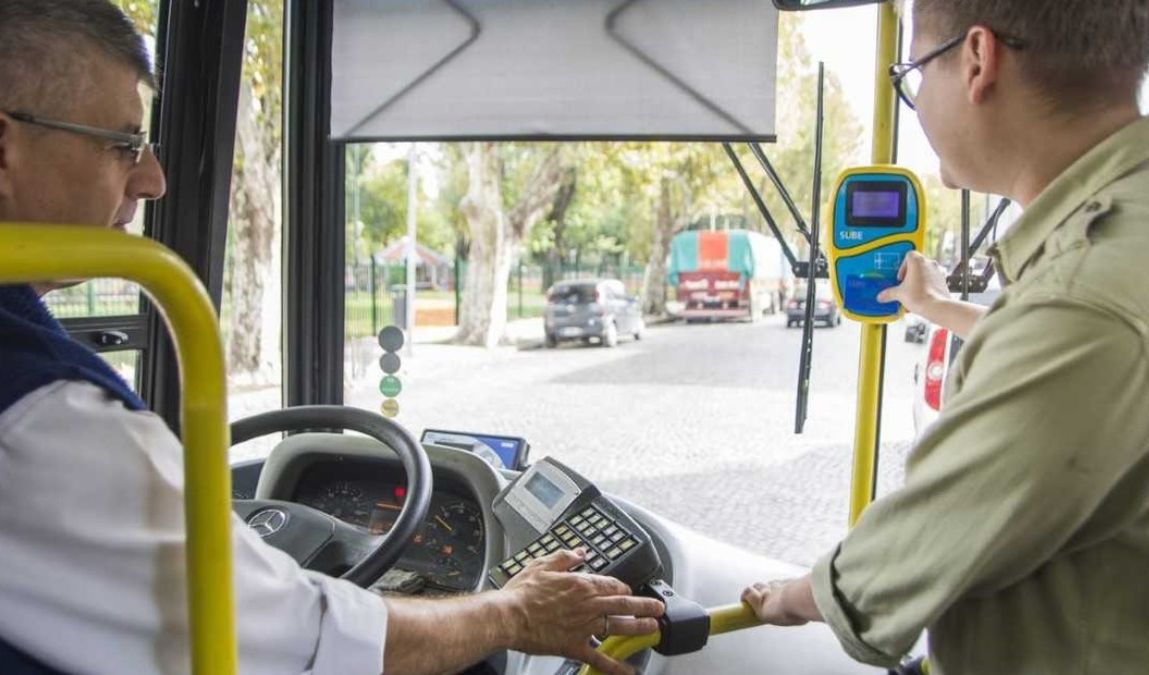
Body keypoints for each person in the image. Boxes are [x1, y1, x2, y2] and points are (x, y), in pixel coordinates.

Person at [0, 1, 662, 674]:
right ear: (3, 148)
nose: (154, 178)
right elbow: (293, 635)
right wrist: (512, 613)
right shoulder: (43, 419)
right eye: (123, 145)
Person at [744, 0, 1149, 673]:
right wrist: (940, 306)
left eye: (914, 74)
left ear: (977, 60)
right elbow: (1112, 380)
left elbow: (913, 547)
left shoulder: (1086, 304)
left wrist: (789, 596)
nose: (917, 102)